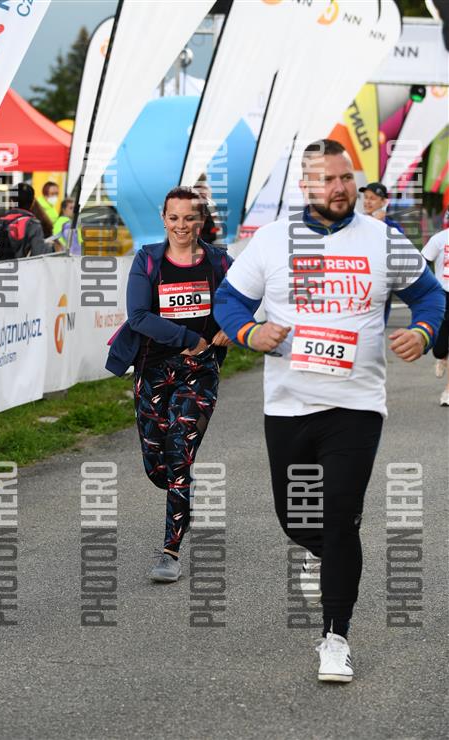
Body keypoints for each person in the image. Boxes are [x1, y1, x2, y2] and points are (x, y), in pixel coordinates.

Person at [214, 139, 445, 683]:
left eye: (346, 178)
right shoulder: (272, 240)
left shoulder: (383, 239)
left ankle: (335, 637)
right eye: (326, 179)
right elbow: (228, 301)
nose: (339, 189)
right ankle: (326, 555)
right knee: (296, 519)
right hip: (288, 403)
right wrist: (250, 333)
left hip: (356, 403)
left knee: (340, 515)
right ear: (305, 185)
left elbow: (432, 295)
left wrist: (421, 331)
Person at [108, 186, 232, 583]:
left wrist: (233, 326)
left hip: (200, 372)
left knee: (180, 457)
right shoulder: (148, 260)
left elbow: (245, 297)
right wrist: (188, 337)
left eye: (190, 218)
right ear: (163, 219)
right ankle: (181, 496)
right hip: (154, 371)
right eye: (174, 218)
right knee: (157, 466)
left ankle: (170, 552)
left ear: (202, 221)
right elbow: (139, 316)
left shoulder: (220, 261)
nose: (182, 226)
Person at [0, 183, 52, 260]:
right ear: (33, 201)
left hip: (2, 265)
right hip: (24, 266)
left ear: (11, 201)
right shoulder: (33, 224)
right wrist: (50, 247)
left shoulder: (2, 220)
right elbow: (38, 253)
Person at [422, 227, 449, 405]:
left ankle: (448, 391)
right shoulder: (440, 239)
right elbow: (422, 263)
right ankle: (441, 356)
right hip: (443, 295)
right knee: (439, 348)